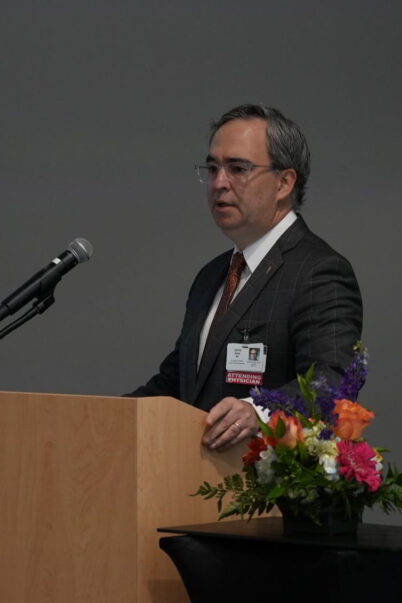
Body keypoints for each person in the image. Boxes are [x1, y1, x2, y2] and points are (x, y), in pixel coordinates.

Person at [128, 104, 362, 452]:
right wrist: (102, 418)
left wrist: (257, 413)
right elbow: (177, 384)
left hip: (274, 498)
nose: (219, 183)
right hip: (196, 491)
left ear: (284, 182)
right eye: (212, 168)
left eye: (237, 169)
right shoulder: (211, 276)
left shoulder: (319, 271)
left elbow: (331, 384)